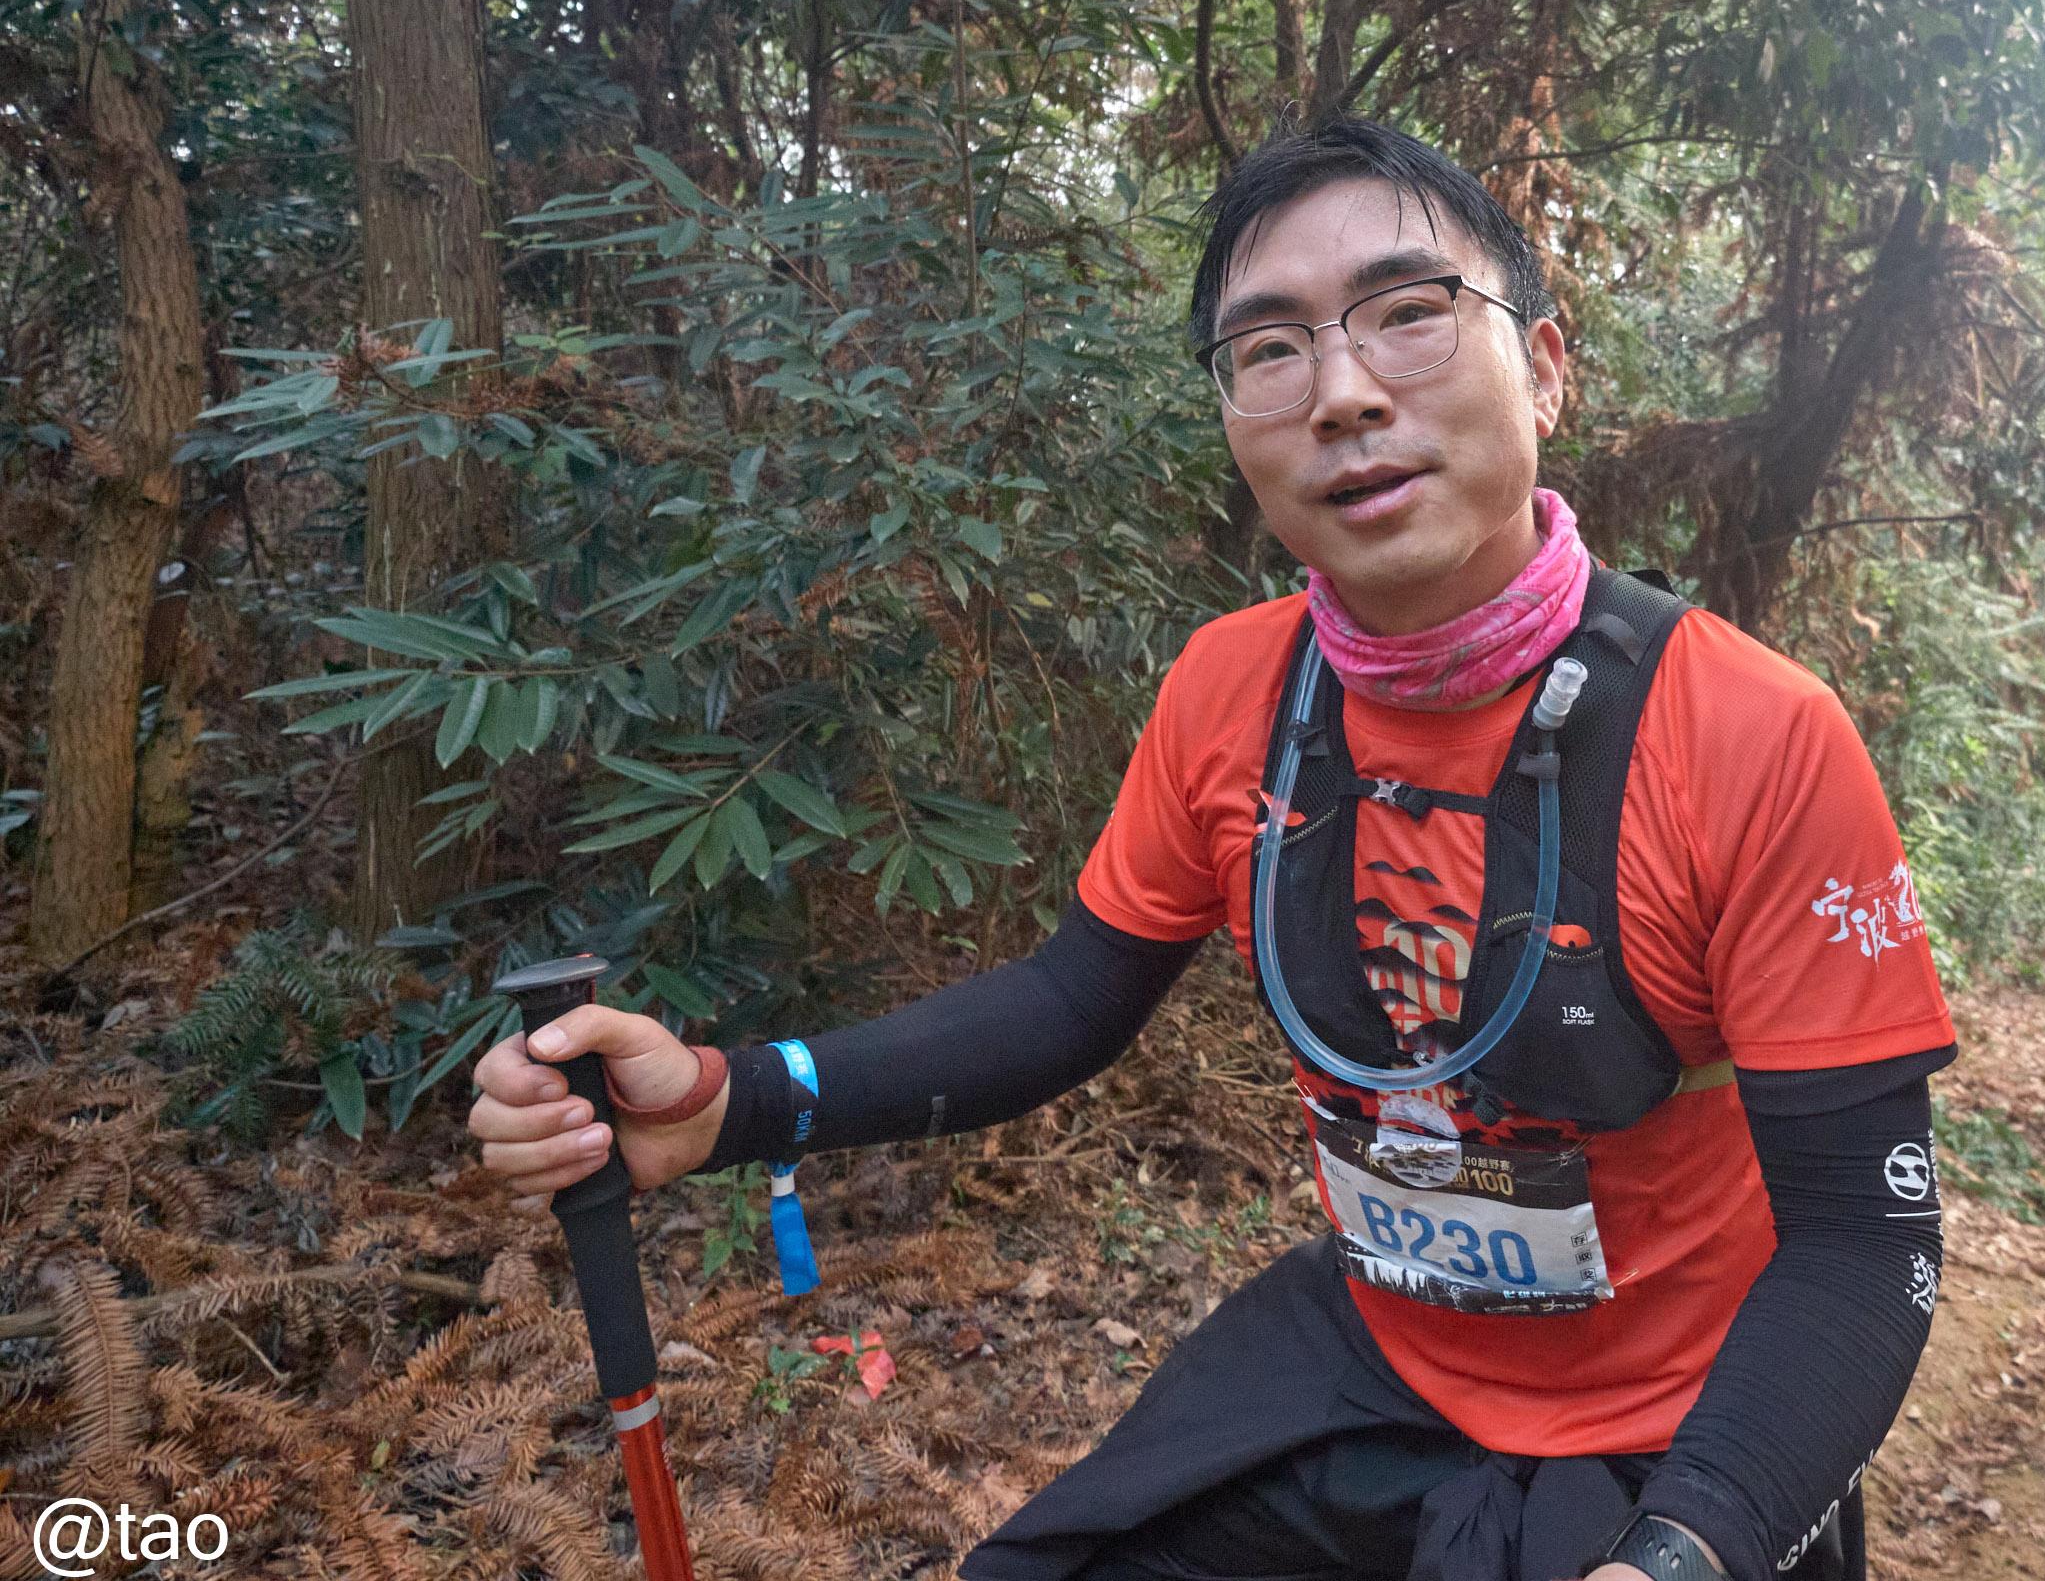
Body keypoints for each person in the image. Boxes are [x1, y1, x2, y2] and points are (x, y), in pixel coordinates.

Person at [471, 118, 1958, 1581]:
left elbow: (1862, 1245)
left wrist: (1686, 1555)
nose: (1345, 394)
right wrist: (727, 1102)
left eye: (1410, 314)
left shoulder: (1750, 735)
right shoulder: (1232, 692)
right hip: (1376, 1363)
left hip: (1681, 1436)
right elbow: (1069, 1002)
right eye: (1270, 349)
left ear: (1547, 369)